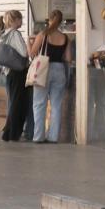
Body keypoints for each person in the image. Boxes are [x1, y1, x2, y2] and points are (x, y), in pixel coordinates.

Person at [30, 9, 71, 144]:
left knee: (39, 104)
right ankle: (53, 137)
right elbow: (68, 58)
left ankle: (38, 137)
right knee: (57, 105)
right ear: (60, 22)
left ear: (49, 19)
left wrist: (27, 44)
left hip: (43, 69)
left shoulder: (43, 34)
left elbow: (32, 53)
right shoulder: (65, 38)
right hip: (59, 70)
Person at [0, 10, 32, 142]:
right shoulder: (15, 34)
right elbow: (24, 52)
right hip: (18, 72)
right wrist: (29, 44)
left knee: (13, 102)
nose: (22, 21)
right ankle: (11, 133)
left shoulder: (3, 34)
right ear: (15, 20)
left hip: (9, 72)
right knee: (18, 103)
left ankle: (9, 132)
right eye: (20, 19)